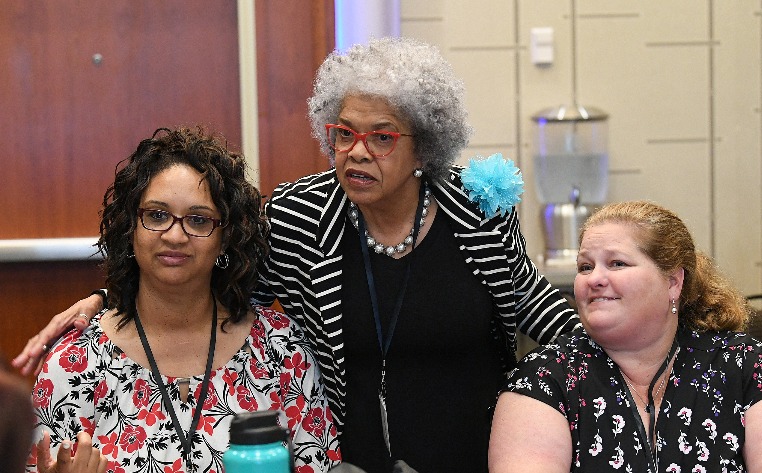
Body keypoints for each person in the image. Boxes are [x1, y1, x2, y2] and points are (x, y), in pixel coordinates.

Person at [15, 38, 580, 472]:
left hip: (476, 454)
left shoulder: (475, 208)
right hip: (352, 460)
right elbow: (204, 266)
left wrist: (613, 349)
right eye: (343, 133)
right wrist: (107, 298)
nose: (357, 152)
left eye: (382, 137)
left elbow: (531, 302)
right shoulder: (297, 216)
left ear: (423, 147)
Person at [24, 127, 339, 473]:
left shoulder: (282, 352)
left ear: (225, 238)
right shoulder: (74, 363)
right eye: (157, 215)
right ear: (131, 228)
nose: (175, 235)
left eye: (198, 220)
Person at [488, 201, 762, 472]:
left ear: (673, 282)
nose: (594, 279)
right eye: (585, 267)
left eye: (617, 263)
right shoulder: (544, 376)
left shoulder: (742, 364)